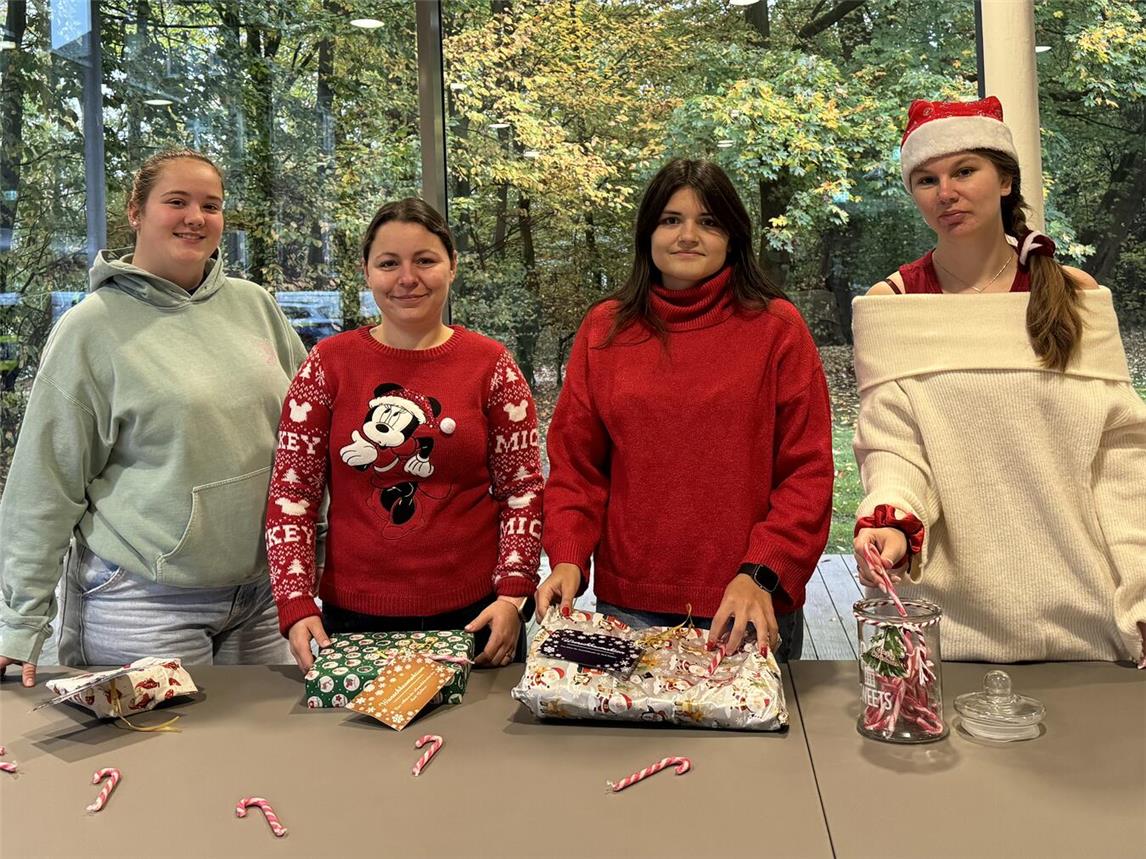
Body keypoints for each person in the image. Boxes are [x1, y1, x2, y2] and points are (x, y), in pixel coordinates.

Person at [852, 96, 1146, 664]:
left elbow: (1123, 460)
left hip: (1087, 623)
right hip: (941, 631)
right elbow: (892, 447)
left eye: (965, 170)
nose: (946, 192)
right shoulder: (894, 303)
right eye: (926, 179)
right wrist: (892, 518)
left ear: (1005, 178)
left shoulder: (1074, 293)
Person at [0, 149, 307, 686]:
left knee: (266, 763)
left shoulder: (256, 306)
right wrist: (19, 623)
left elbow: (309, 439)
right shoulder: (90, 329)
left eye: (211, 205)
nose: (196, 217)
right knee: (159, 766)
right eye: (177, 201)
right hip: (142, 601)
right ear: (136, 211)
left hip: (263, 595)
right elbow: (45, 484)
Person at [536, 159, 834, 661]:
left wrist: (761, 571)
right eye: (671, 220)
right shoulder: (605, 329)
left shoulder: (777, 329)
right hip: (628, 605)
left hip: (747, 603)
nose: (687, 235)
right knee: (626, 745)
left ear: (734, 237)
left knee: (752, 744)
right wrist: (566, 557)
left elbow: (808, 474)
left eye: (709, 221)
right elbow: (577, 468)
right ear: (648, 233)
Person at [267, 198, 543, 673]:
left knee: (478, 747)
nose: (407, 279)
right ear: (367, 272)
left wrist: (514, 594)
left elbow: (522, 490)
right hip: (351, 621)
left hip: (476, 617)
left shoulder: (491, 366)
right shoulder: (326, 366)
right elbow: (292, 493)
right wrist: (295, 603)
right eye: (389, 263)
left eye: (425, 260)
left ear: (452, 266)